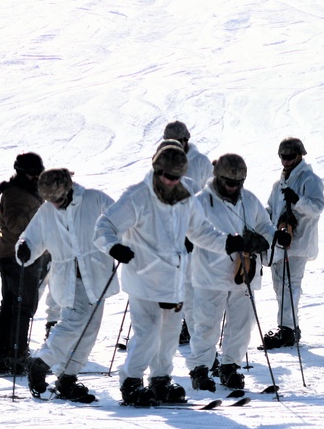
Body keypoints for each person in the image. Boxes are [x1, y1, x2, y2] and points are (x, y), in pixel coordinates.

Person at [94, 141, 232, 406]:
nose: (172, 181)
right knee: (147, 333)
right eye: (168, 176)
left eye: (177, 177)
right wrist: (114, 246)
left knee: (169, 334)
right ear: (157, 170)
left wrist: (227, 242)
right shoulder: (137, 197)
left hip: (174, 278)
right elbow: (105, 225)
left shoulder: (184, 199)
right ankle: (131, 381)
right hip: (143, 276)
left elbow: (201, 231)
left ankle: (160, 379)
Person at [16, 169, 118, 401]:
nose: (57, 205)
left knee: (89, 329)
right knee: (74, 322)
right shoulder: (46, 212)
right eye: (51, 201)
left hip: (97, 275)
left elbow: (121, 220)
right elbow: (30, 237)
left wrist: (127, 243)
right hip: (68, 278)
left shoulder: (94, 199)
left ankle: (68, 377)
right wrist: (25, 248)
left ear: (70, 188)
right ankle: (41, 363)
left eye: (59, 200)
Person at [186, 153, 275, 393]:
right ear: (218, 177)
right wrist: (227, 243)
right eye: (229, 182)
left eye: (238, 183)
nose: (234, 187)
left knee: (241, 323)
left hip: (243, 272)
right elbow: (195, 232)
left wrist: (268, 238)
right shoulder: (201, 201)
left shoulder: (250, 200)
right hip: (210, 273)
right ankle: (201, 369)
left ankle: (230, 366)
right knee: (206, 324)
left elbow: (265, 225)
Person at [261, 137, 324, 349]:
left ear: (300, 155)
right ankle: (287, 327)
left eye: (290, 156)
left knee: (290, 285)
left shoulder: (310, 179)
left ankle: (288, 329)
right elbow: (271, 207)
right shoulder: (278, 184)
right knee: (280, 285)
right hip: (280, 241)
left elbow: (317, 207)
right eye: (283, 156)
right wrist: (262, 217)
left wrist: (297, 201)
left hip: (298, 242)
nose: (286, 161)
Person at [0, 152, 51, 375]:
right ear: (21, 173)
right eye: (32, 174)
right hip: (17, 257)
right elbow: (16, 224)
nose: (36, 177)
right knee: (22, 307)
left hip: (14, 255)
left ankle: (4, 356)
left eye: (39, 173)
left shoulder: (25, 190)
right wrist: (42, 212)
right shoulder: (16, 193)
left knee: (11, 305)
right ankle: (15, 357)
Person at [162, 120, 210, 346]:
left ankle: (194, 327)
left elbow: (208, 195)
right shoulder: (162, 161)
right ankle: (175, 324)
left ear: (185, 140)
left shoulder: (200, 162)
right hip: (169, 235)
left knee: (192, 283)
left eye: (177, 142)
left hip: (192, 231)